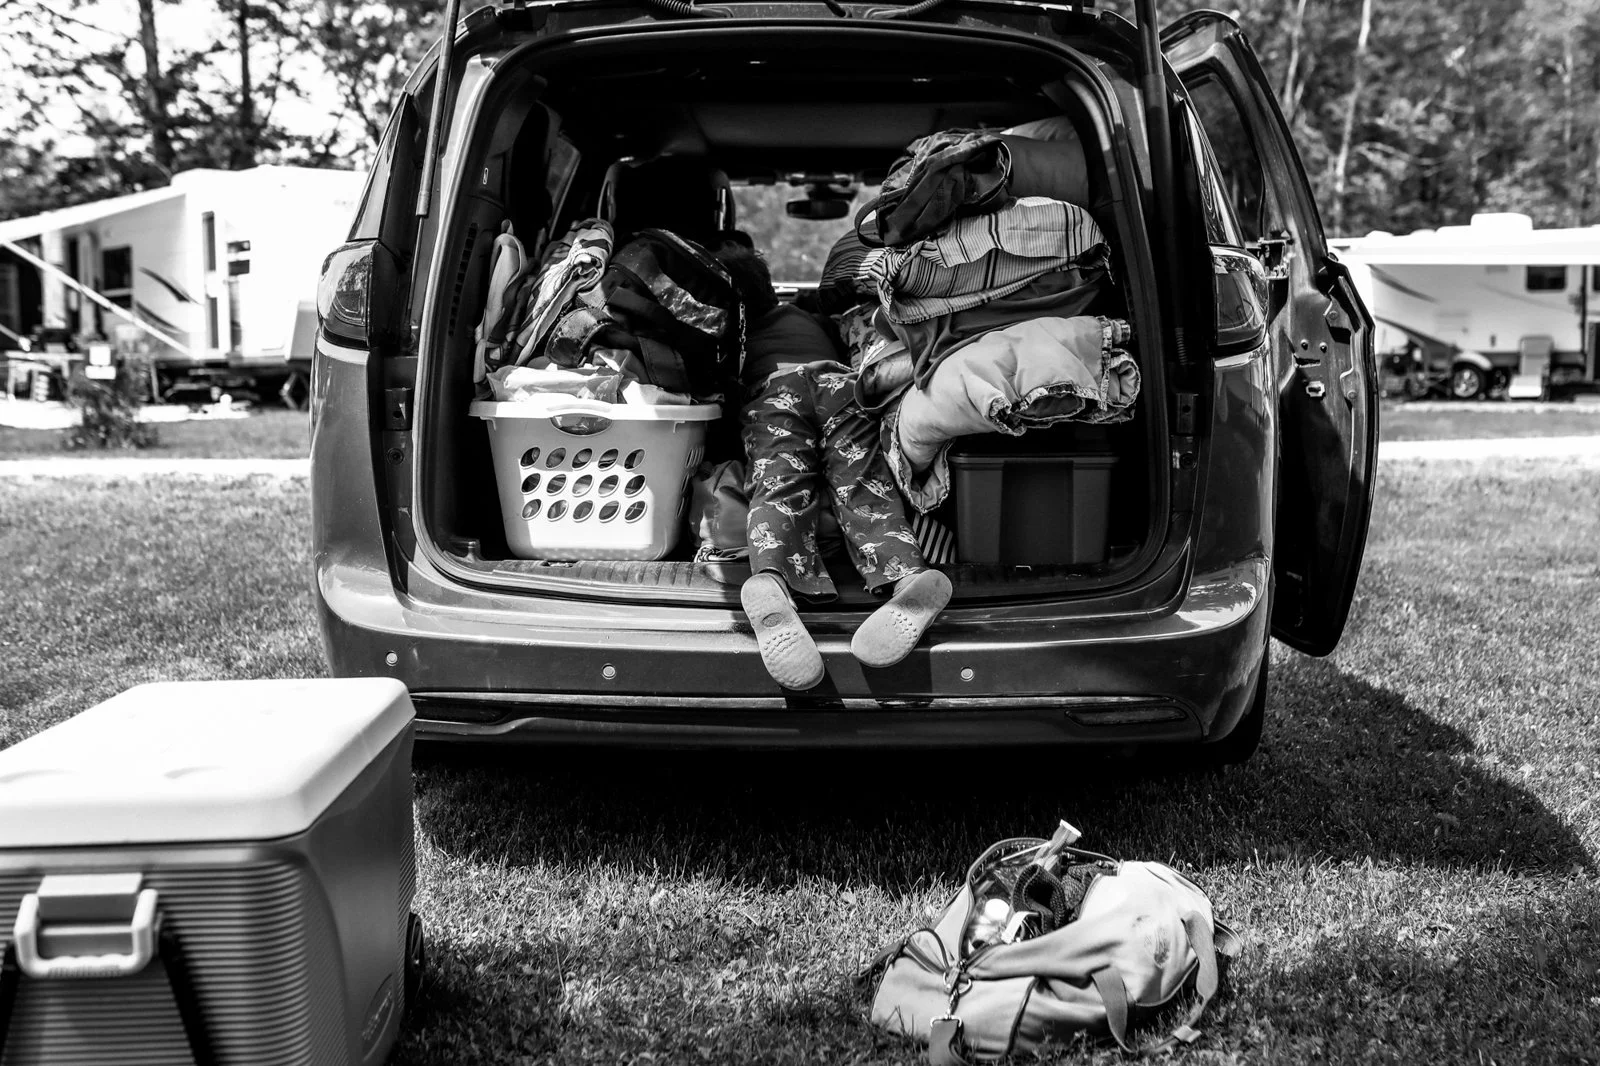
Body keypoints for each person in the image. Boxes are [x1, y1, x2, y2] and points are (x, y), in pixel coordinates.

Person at [714, 242, 952, 690]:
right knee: (865, 485)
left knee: (778, 484)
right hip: (841, 386)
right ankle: (907, 575)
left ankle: (772, 577)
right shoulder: (807, 316)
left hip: (775, 390)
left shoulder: (734, 335)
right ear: (769, 290)